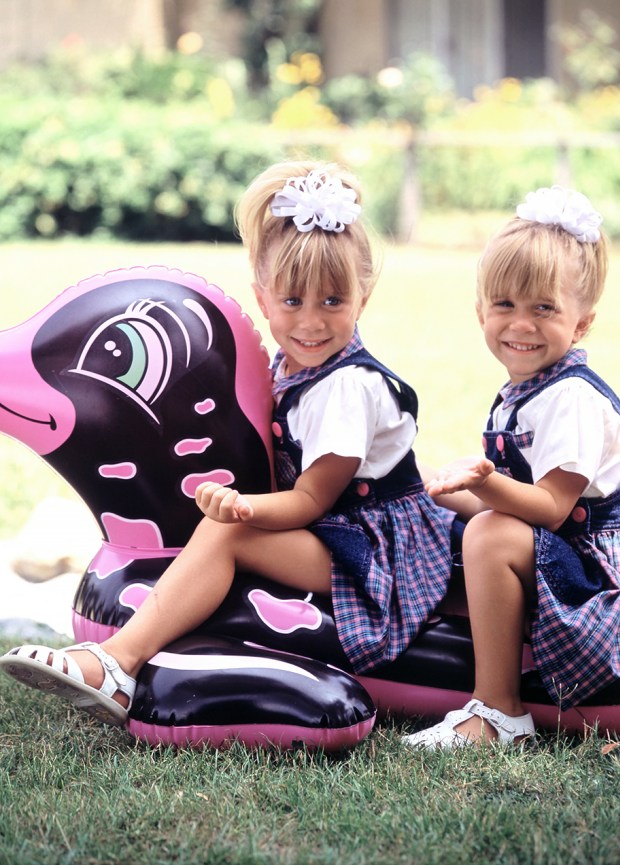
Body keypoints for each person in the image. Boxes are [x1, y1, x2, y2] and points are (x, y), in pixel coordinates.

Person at [0, 160, 459, 725]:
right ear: (262, 298)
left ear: (363, 297)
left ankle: (117, 663)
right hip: (341, 532)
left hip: (374, 551)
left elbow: (312, 501)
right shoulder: (296, 365)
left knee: (227, 532)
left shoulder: (346, 389)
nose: (311, 321)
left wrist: (242, 508)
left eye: (332, 302)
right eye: (293, 302)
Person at [403, 186, 620, 749]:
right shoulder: (527, 390)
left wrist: (483, 481)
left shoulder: (571, 397)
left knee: (488, 534)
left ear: (581, 324)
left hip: (597, 580)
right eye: (504, 304)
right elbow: (504, 502)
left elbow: (549, 507)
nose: (520, 325)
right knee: (454, 525)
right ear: (480, 312)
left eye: (543, 308)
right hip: (560, 552)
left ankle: (499, 711)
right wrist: (430, 486)